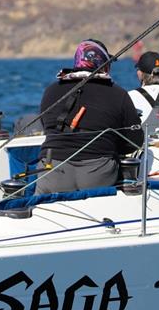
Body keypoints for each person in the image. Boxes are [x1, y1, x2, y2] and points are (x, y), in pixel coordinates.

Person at [36, 39, 143, 194]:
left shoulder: (51, 91)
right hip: (98, 175)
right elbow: (135, 141)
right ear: (102, 63)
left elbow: (47, 127)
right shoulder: (118, 94)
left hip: (52, 172)